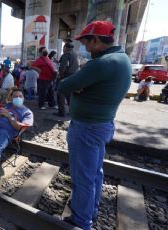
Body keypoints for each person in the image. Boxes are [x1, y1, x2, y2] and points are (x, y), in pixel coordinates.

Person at [58, 21, 131, 230]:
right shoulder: (122, 59)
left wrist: (77, 86)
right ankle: (90, 208)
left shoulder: (101, 64)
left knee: (83, 177)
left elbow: (64, 86)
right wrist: (80, 85)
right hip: (102, 124)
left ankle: (81, 221)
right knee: (95, 172)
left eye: (86, 42)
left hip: (86, 128)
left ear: (97, 40)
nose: (85, 47)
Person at [55, 43, 79, 117]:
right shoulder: (75, 54)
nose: (63, 49)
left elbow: (63, 67)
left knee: (60, 94)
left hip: (65, 77)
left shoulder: (66, 54)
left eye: (63, 47)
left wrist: (60, 76)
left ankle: (61, 112)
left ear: (65, 47)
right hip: (73, 76)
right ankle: (72, 112)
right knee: (70, 95)